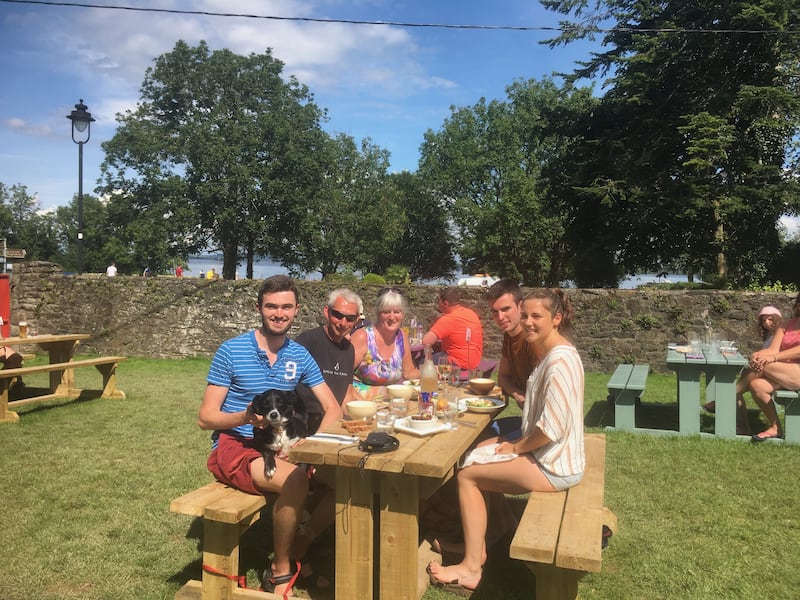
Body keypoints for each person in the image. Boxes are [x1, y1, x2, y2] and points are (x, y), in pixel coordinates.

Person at [428, 288, 585, 595]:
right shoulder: (551, 352)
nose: (527, 322)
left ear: (556, 318)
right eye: (524, 315)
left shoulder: (559, 362)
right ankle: (491, 532)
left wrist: (515, 447)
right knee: (475, 452)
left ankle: (472, 566)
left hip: (555, 463)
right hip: (553, 453)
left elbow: (549, 429)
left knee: (468, 476)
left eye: (536, 316)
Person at [198, 275, 342, 596]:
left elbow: (333, 409)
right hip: (236, 445)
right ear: (259, 308)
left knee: (344, 481)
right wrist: (245, 417)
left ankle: (303, 544)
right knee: (296, 481)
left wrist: (312, 444)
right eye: (271, 306)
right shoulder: (231, 351)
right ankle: (280, 569)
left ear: (297, 310)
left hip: (280, 444)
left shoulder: (300, 356)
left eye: (286, 307)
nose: (279, 313)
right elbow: (206, 417)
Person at [702, 305, 783, 434]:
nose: (767, 322)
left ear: (778, 320)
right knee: (739, 388)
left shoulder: (781, 334)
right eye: (764, 320)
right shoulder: (770, 336)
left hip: (779, 374)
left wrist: (757, 356)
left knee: (746, 377)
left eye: (770, 319)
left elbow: (774, 353)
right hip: (768, 372)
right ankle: (743, 427)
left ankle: (721, 400)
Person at [295, 287, 364, 430]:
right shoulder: (307, 342)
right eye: (338, 315)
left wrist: (367, 417)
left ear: (357, 320)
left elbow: (346, 397)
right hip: (305, 427)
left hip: (333, 424)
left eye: (350, 318)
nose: (343, 323)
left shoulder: (349, 349)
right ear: (327, 312)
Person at [746, 294, 800, 442]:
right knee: (756, 385)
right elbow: (773, 349)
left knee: (765, 364)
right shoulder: (787, 325)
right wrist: (756, 355)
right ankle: (775, 427)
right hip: (782, 372)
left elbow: (776, 355)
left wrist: (773, 358)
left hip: (797, 372)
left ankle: (730, 395)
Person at [351, 287, 419, 395]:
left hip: (389, 401)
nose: (392, 317)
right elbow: (341, 374)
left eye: (397, 312)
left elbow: (409, 372)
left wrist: (429, 372)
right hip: (360, 402)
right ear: (378, 313)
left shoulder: (401, 336)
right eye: (386, 312)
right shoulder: (363, 336)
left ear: (403, 315)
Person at [421, 287, 483, 372]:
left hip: (457, 362)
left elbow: (426, 341)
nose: (438, 305)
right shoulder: (471, 313)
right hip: (473, 361)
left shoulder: (449, 319)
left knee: (421, 363)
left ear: (445, 303)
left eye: (439, 302)